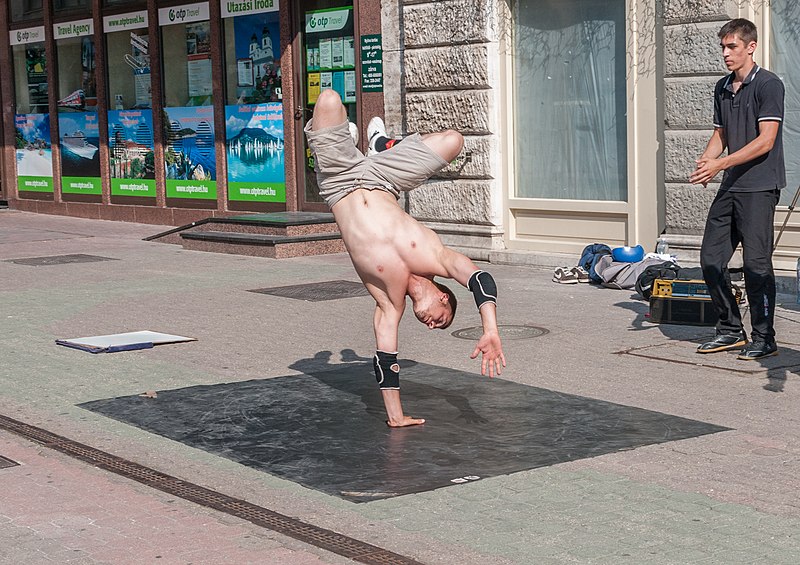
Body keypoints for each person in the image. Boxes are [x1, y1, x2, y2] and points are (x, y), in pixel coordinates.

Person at [304, 89, 506, 427]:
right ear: (444, 296)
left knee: (328, 100)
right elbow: (478, 278)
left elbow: (386, 359)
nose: (432, 325)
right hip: (384, 178)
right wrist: (491, 329)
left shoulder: (389, 302)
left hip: (339, 182)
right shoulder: (435, 256)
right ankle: (381, 145)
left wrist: (396, 418)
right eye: (441, 319)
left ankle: (355, 143)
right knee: (453, 140)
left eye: (434, 326)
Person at [689, 18, 786, 360]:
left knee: (756, 265)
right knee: (711, 261)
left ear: (750, 46)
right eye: (723, 47)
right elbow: (722, 135)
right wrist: (706, 164)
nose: (726, 54)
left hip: (759, 187)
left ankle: (764, 337)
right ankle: (730, 329)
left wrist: (721, 164)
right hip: (731, 186)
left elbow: (766, 141)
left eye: (732, 47)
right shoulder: (722, 87)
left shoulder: (769, 85)